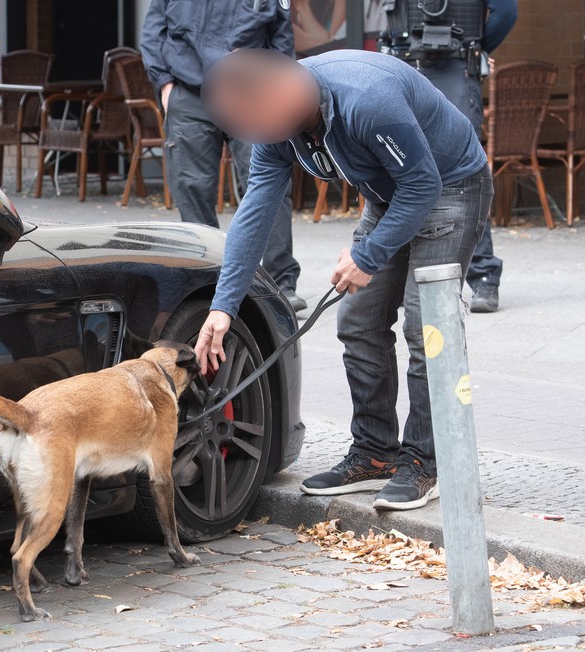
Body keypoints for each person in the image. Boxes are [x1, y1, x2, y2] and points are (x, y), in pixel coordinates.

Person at [195, 48, 493, 510]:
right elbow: (255, 212)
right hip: (388, 195)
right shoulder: (276, 126)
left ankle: (426, 462)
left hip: (449, 185)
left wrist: (368, 256)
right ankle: (374, 454)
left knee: (425, 329)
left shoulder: (365, 97)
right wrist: (223, 306)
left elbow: (423, 185)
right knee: (357, 322)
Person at [140, 0, 307, 312]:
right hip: (189, 92)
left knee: (267, 184)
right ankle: (207, 280)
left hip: (251, 93)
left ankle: (280, 283)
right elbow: (153, 34)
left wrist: (280, 91)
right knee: (192, 187)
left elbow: (281, 39)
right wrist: (164, 85)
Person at [379, 0, 518, 312]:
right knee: (442, 172)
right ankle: (474, 278)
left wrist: (476, 47)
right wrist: (476, 47)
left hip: (429, 65)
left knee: (458, 172)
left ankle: (481, 275)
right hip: (430, 65)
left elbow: (507, 14)